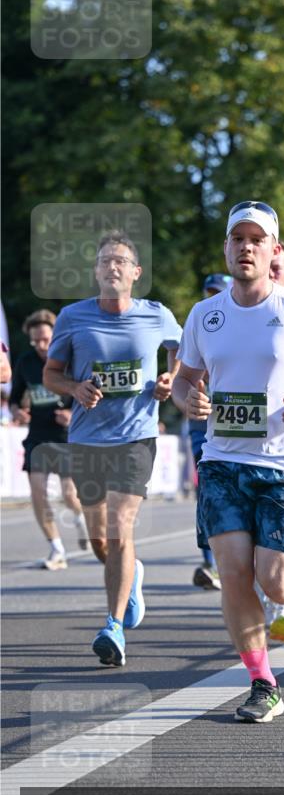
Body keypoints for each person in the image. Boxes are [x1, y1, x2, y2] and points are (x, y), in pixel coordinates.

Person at [172, 201, 284, 723]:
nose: (246, 247)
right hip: (222, 462)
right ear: (227, 247)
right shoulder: (205, 315)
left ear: (274, 250)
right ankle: (262, 682)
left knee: (274, 579)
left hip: (282, 469)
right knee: (233, 574)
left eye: (257, 240)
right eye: (237, 239)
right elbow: (185, 376)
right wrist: (188, 398)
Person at [43, 231, 182, 666]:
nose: (112, 267)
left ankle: (113, 626)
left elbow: (185, 351)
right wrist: (75, 388)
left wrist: (170, 379)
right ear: (96, 272)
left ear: (135, 272)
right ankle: (132, 575)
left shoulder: (156, 315)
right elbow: (51, 374)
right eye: (104, 261)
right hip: (86, 439)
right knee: (100, 540)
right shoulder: (72, 317)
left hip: (135, 438)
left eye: (120, 260)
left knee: (122, 526)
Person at [9, 310, 88, 568]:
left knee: (69, 494)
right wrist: (17, 411)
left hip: (66, 436)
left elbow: (90, 394)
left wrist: (71, 413)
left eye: (45, 339)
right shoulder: (25, 362)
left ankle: (80, 518)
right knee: (38, 492)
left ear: (56, 336)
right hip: (38, 438)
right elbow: (15, 397)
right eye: (36, 341)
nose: (41, 346)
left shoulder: (71, 360)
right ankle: (56, 549)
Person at [190, 274, 232, 590]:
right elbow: (183, 374)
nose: (212, 296)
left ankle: (232, 561)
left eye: (217, 291)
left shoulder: (247, 323)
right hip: (201, 423)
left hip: (236, 425)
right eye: (208, 292)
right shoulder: (199, 319)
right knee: (207, 490)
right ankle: (212, 563)